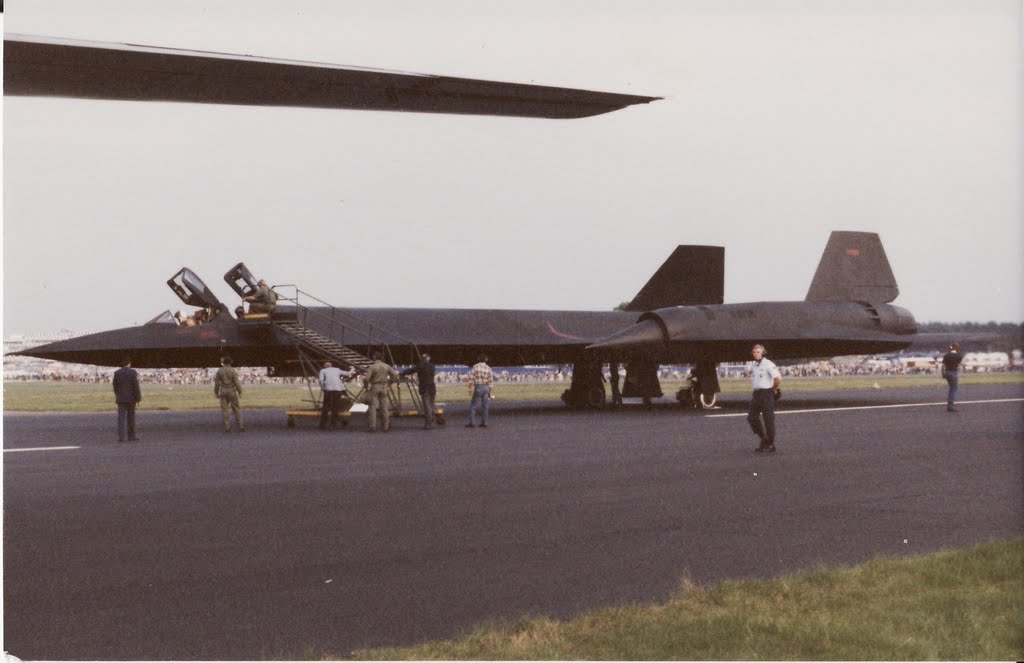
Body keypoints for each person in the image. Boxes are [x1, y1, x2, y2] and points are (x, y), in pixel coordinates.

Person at [747, 343, 782, 453]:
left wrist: (773, 389)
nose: (756, 354)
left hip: (767, 393)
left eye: (758, 352)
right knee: (751, 417)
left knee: (768, 420)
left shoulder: (768, 364)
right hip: (756, 394)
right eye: (754, 352)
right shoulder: (754, 365)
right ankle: (764, 439)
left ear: (763, 353)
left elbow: (777, 378)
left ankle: (771, 444)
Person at [401, 353, 438, 429]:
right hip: (432, 387)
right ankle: (432, 418)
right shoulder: (432, 366)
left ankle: (428, 424)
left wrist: (402, 373)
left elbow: (411, 370)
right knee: (431, 404)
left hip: (424, 388)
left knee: (427, 406)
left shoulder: (420, 366)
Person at [363, 351, 398, 432]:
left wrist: (366, 387)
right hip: (384, 387)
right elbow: (394, 375)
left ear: (374, 357)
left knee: (373, 407)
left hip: (375, 387)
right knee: (384, 408)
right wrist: (389, 384)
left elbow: (366, 379)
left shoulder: (372, 367)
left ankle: (372, 427)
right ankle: (385, 427)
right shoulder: (387, 366)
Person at [319, 360, 357, 429]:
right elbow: (347, 374)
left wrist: (322, 388)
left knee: (325, 407)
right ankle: (333, 425)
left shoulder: (323, 371)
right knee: (335, 406)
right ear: (331, 366)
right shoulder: (337, 369)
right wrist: (352, 369)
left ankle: (323, 424)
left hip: (328, 389)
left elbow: (321, 380)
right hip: (338, 389)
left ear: (325, 366)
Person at [113, 356, 142, 442]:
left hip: (121, 398)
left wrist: (118, 394)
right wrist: (138, 397)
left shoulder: (117, 373)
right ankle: (131, 436)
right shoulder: (133, 372)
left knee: (121, 418)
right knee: (131, 417)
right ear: (129, 364)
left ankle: (121, 437)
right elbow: (135, 386)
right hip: (131, 398)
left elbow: (115, 386)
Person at [214, 356, 244, 433]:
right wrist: (240, 392)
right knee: (236, 409)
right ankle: (240, 426)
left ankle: (227, 427)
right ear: (230, 362)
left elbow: (217, 383)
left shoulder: (220, 370)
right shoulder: (232, 370)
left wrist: (216, 392)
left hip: (223, 390)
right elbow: (237, 383)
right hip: (232, 390)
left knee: (225, 410)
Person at [466, 354, 493, 428]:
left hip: (478, 387)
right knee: (485, 406)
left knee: (473, 405)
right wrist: (490, 392)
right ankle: (484, 422)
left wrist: (470, 388)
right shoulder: (488, 368)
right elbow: (491, 382)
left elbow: (471, 379)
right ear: (486, 360)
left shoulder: (475, 367)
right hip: (486, 387)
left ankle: (472, 422)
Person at [942, 341, 964, 412]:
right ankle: (950, 405)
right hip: (953, 373)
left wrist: (943, 374)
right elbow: (959, 365)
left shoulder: (946, 355)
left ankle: (950, 405)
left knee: (951, 388)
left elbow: (943, 366)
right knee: (953, 389)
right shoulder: (959, 356)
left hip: (947, 372)